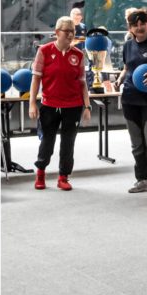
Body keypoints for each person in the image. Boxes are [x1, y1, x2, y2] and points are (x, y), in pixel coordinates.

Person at [28, 16, 92, 191]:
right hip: (50, 105)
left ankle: (63, 176)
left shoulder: (78, 54)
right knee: (47, 142)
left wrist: (87, 106)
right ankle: (40, 172)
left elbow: (82, 83)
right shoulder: (44, 51)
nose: (71, 35)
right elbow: (35, 80)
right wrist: (32, 103)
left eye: (73, 31)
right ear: (57, 33)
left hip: (73, 106)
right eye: (67, 31)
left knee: (68, 143)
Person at [113, 9, 147, 199]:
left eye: (142, 23)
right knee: (137, 143)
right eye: (135, 25)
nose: (139, 27)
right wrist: (120, 79)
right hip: (130, 99)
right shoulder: (127, 45)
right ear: (130, 27)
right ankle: (142, 180)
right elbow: (127, 67)